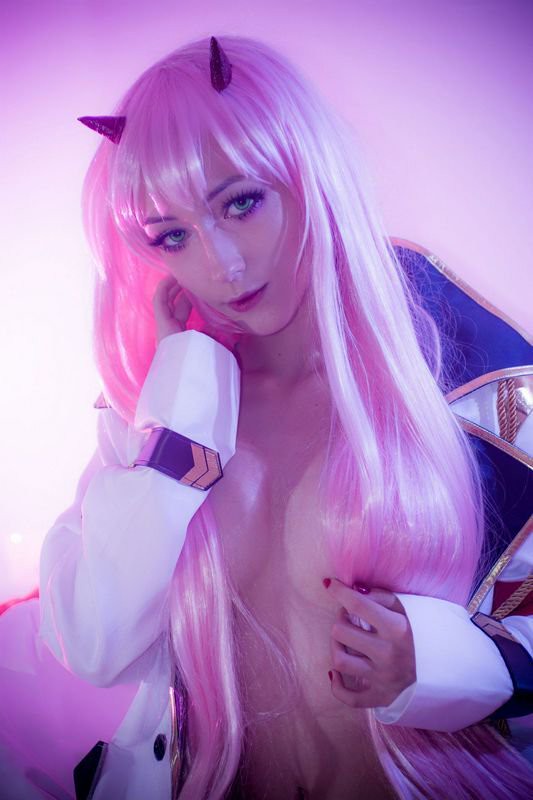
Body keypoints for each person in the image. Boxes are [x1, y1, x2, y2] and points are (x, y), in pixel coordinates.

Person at [34, 34, 533, 800]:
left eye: (241, 202)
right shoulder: (156, 408)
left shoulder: (460, 371)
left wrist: (441, 663)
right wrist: (178, 429)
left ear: (308, 172)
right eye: (173, 235)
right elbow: (93, 647)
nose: (222, 264)